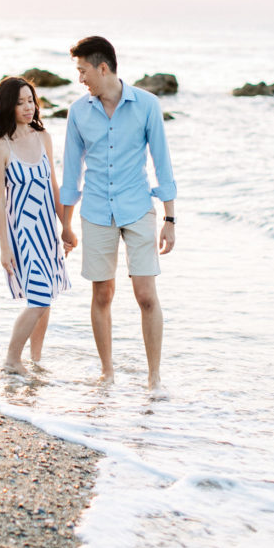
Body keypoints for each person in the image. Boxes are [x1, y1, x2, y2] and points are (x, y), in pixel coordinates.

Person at [60, 36, 176, 392]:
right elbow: (70, 173)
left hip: (138, 209)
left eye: (83, 71)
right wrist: (65, 223)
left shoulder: (147, 105)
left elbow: (162, 162)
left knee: (146, 295)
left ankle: (154, 378)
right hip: (95, 212)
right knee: (102, 295)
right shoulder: (79, 112)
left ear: (103, 67)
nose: (80, 79)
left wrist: (170, 220)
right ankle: (107, 372)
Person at [0, 76, 70, 375]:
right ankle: (11, 359)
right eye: (20, 102)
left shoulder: (43, 137)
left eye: (31, 101)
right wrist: (4, 247)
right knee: (37, 299)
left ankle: (36, 360)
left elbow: (54, 186)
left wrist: (66, 226)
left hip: (47, 229)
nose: (28, 108)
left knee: (46, 298)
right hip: (22, 231)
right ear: (8, 106)